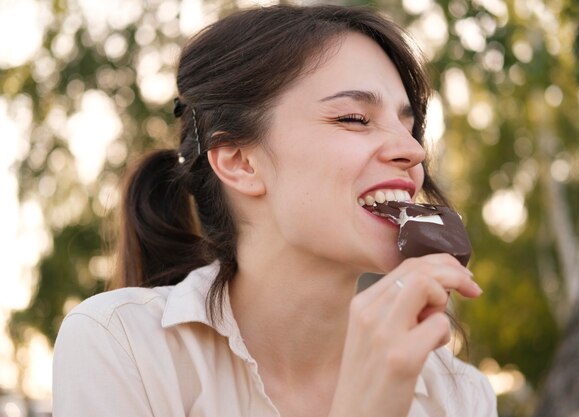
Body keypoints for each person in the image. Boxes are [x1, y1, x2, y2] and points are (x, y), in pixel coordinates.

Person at [52, 5, 497, 417]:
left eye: (409, 125)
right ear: (240, 161)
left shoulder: (459, 395)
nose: (413, 150)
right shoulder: (119, 346)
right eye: (354, 119)